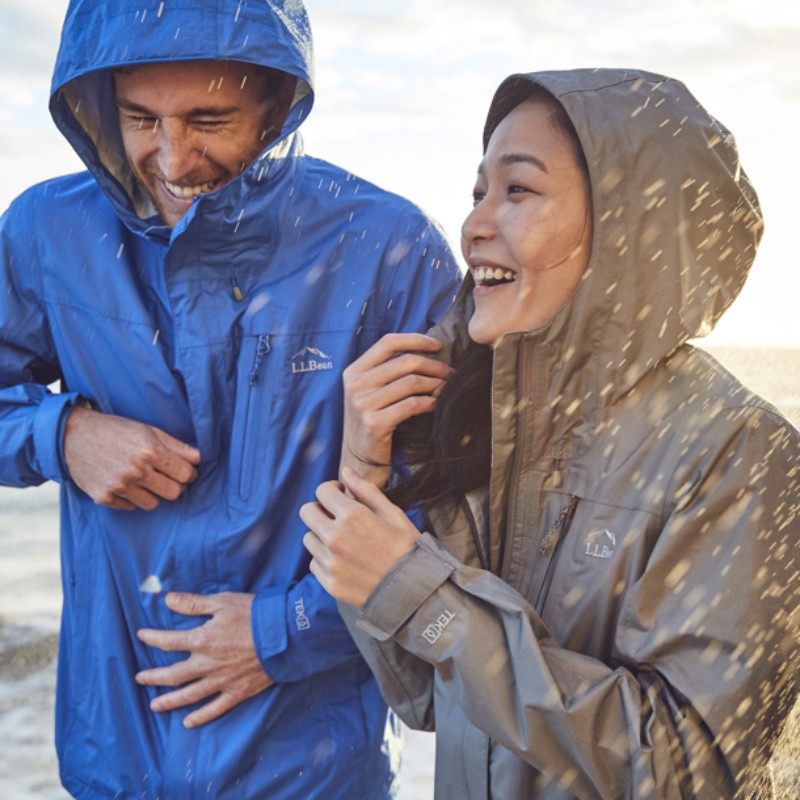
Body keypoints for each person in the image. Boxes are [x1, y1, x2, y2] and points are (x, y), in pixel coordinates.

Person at [0, 1, 460, 798]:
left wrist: (286, 632)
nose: (173, 159)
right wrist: (59, 432)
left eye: (209, 119)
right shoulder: (47, 231)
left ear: (276, 104)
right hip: (111, 755)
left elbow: (455, 504)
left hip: (311, 767)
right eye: (141, 118)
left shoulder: (388, 247)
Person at [301, 68, 800, 798]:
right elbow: (426, 699)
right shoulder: (495, 430)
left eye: (518, 190)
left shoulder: (743, 453)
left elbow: (689, 769)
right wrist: (363, 480)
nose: (473, 226)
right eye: (478, 193)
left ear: (631, 227)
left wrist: (421, 593)